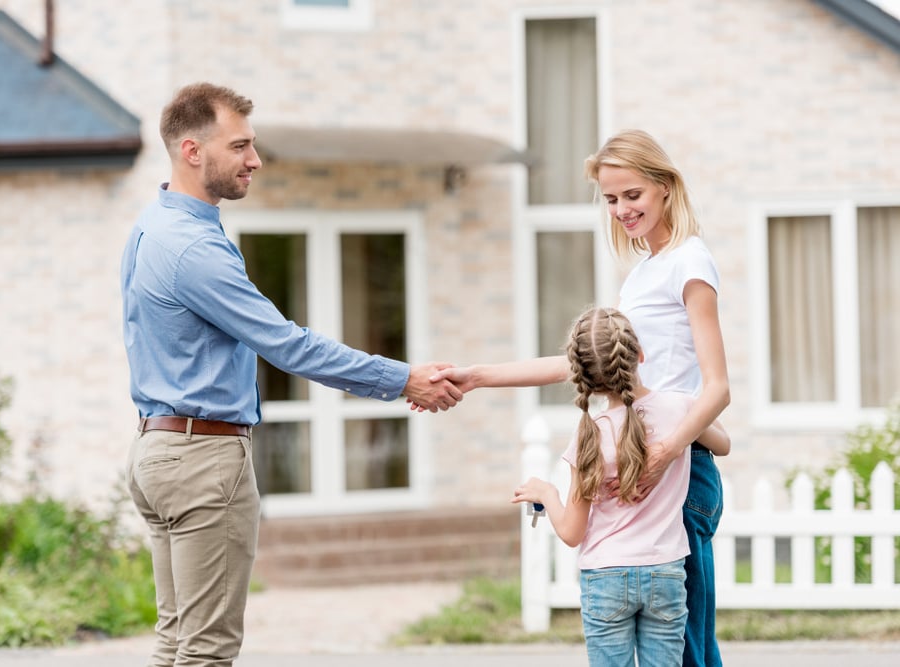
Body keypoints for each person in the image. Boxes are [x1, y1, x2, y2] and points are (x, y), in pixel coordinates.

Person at [120, 81, 462, 666]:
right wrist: (403, 379)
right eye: (241, 146)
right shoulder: (192, 249)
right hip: (202, 460)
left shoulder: (153, 226)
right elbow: (288, 346)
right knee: (206, 652)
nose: (254, 159)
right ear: (191, 150)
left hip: (159, 449)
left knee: (177, 643)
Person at [432, 129, 731, 665]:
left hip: (679, 468)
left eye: (632, 195)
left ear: (665, 187)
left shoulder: (690, 262)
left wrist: (664, 456)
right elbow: (582, 364)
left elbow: (716, 389)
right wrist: (479, 376)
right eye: (611, 199)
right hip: (649, 456)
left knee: (690, 649)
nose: (621, 209)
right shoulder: (642, 275)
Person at [512, 306, 730, 666]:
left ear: (582, 376)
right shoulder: (680, 409)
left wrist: (546, 493)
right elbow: (723, 445)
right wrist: (678, 438)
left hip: (606, 577)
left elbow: (571, 532)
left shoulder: (588, 437)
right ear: (640, 354)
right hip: (665, 572)